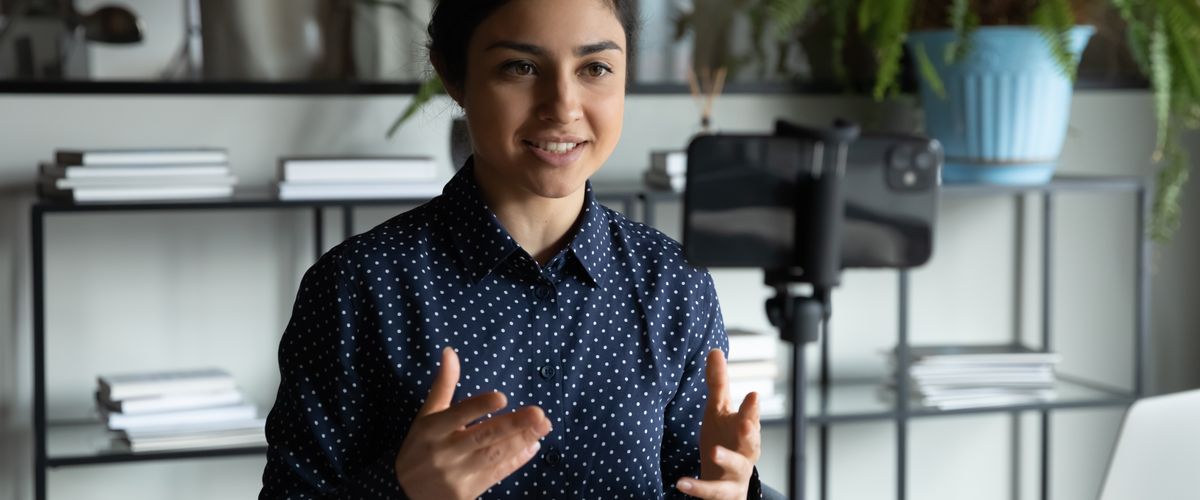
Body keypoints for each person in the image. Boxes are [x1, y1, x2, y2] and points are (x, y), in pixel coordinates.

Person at [258, 0, 762, 498]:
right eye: (520, 67)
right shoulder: (357, 285)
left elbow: (699, 479)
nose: (563, 105)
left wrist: (735, 489)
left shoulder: (675, 283)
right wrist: (401, 489)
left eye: (596, 68)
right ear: (454, 77)